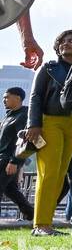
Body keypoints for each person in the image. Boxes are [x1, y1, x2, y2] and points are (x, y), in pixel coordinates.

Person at [25, 29, 72, 234]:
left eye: (71, 41)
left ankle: (47, 223)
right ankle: (41, 225)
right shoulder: (49, 68)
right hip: (49, 122)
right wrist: (34, 124)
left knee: (60, 175)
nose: (66, 44)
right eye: (62, 41)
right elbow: (35, 96)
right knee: (48, 172)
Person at [0, 87, 34, 222]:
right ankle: (31, 215)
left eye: (7, 97)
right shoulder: (9, 115)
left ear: (18, 98)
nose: (4, 100)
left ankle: (32, 215)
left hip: (8, 160)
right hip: (3, 158)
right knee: (11, 191)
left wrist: (15, 161)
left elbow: (23, 142)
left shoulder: (23, 116)